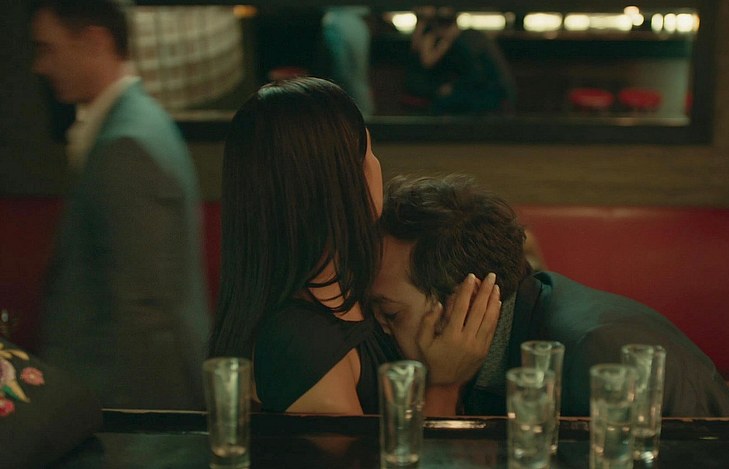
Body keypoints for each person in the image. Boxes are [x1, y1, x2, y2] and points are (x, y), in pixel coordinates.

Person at [208, 77, 499, 415]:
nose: (376, 165)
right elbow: (391, 449)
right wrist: (445, 386)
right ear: (341, 185)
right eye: (367, 152)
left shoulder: (359, 282)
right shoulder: (300, 343)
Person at [371, 175, 729, 417]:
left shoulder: (598, 359)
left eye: (390, 314)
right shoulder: (510, 333)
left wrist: (441, 388)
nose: (377, 328)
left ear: (464, 304)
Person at [31, 0, 210, 409]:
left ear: (95, 42)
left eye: (48, 48)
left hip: (126, 402)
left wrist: (113, 422)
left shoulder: (127, 144)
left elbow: (143, 313)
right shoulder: (135, 124)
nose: (40, 66)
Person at [405, 6, 516, 115]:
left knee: (442, 103)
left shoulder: (465, 42)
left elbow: (476, 76)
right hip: (492, 91)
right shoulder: (467, 37)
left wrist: (452, 87)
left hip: (491, 94)